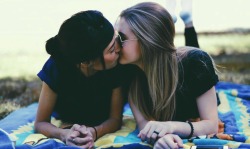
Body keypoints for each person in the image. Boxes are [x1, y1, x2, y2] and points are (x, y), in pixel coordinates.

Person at [115, 2, 218, 149]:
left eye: (121, 38)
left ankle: (187, 22)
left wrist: (170, 126)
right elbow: (145, 124)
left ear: (147, 40)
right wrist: (160, 137)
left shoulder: (195, 63)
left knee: (195, 51)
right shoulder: (129, 72)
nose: (116, 44)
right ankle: (169, 18)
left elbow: (211, 125)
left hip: (189, 68)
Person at [35, 10, 135, 149]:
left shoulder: (116, 67)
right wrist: (63, 134)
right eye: (111, 50)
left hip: (100, 119)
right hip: (67, 117)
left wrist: (94, 132)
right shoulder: (57, 66)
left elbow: (115, 119)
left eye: (116, 38)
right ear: (86, 62)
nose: (119, 48)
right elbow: (40, 122)